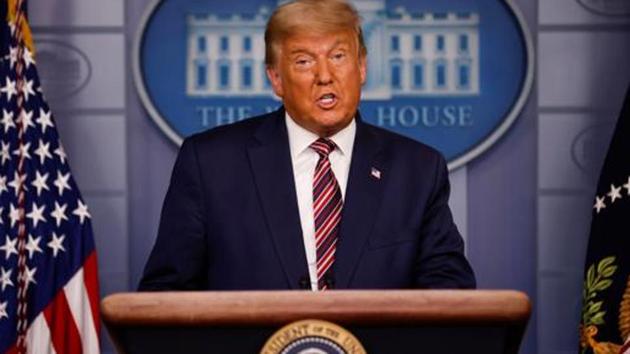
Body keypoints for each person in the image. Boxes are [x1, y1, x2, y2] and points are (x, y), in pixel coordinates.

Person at [139, 0, 475, 291]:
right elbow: (165, 295)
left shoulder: (417, 169)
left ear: (361, 67)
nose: (325, 75)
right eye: (303, 61)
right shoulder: (211, 163)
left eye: (339, 56)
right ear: (275, 79)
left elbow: (449, 292)